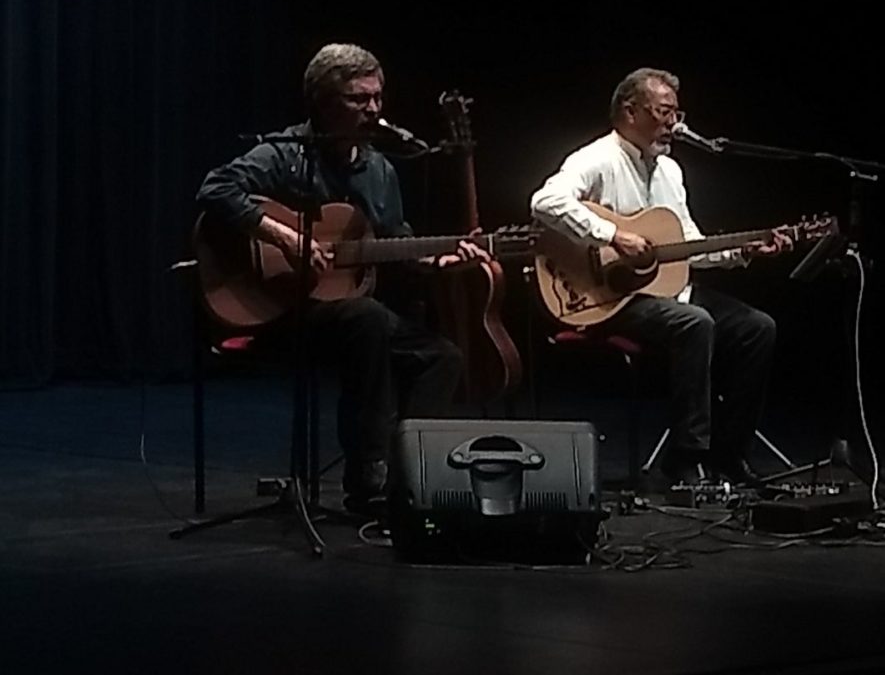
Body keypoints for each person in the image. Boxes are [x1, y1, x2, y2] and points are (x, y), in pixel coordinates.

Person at [197, 43, 486, 511]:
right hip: (277, 313)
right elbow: (215, 189)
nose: (373, 109)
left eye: (377, 97)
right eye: (358, 99)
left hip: (345, 320)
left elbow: (398, 244)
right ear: (324, 102)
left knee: (442, 357)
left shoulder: (380, 170)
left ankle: (410, 475)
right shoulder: (285, 154)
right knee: (367, 318)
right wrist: (283, 237)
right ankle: (366, 477)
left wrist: (440, 262)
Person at [529, 67, 792, 486]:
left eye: (676, 112)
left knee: (757, 328)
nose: (675, 124)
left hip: (667, 293)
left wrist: (742, 252)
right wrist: (613, 234)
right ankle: (686, 458)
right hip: (609, 299)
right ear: (630, 111)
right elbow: (545, 202)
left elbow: (688, 243)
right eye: (664, 112)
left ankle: (730, 455)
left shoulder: (671, 171)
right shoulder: (597, 158)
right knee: (695, 323)